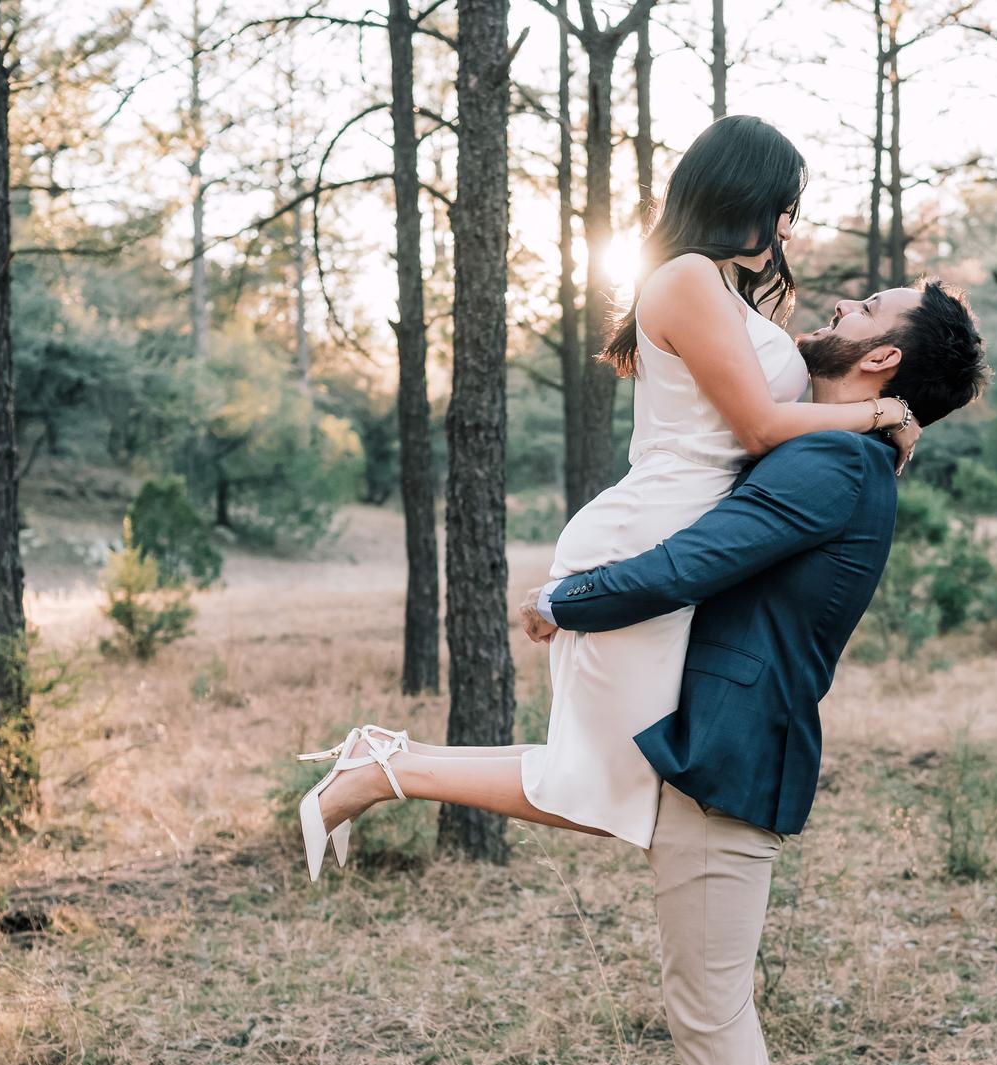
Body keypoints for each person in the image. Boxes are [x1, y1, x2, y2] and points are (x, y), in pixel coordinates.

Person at [293, 114, 919, 878]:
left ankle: (384, 760)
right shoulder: (686, 278)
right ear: (744, 193)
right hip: (648, 532)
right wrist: (881, 412)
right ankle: (379, 769)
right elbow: (759, 428)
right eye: (785, 207)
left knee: (609, 787)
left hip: (684, 531)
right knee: (600, 792)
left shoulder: (721, 289)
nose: (788, 227)